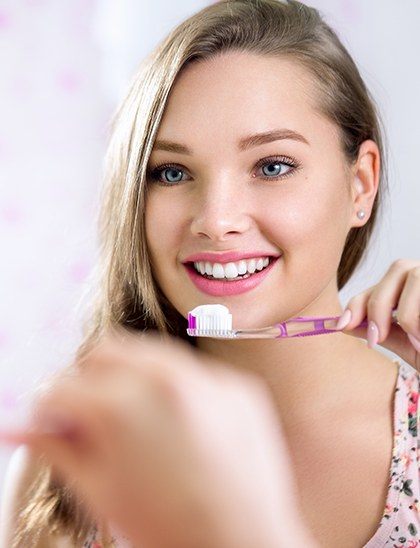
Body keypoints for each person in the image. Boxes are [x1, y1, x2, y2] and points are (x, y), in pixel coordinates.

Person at [1, 0, 419, 546]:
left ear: (360, 184)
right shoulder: (75, 459)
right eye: (171, 172)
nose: (216, 221)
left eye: (273, 166)